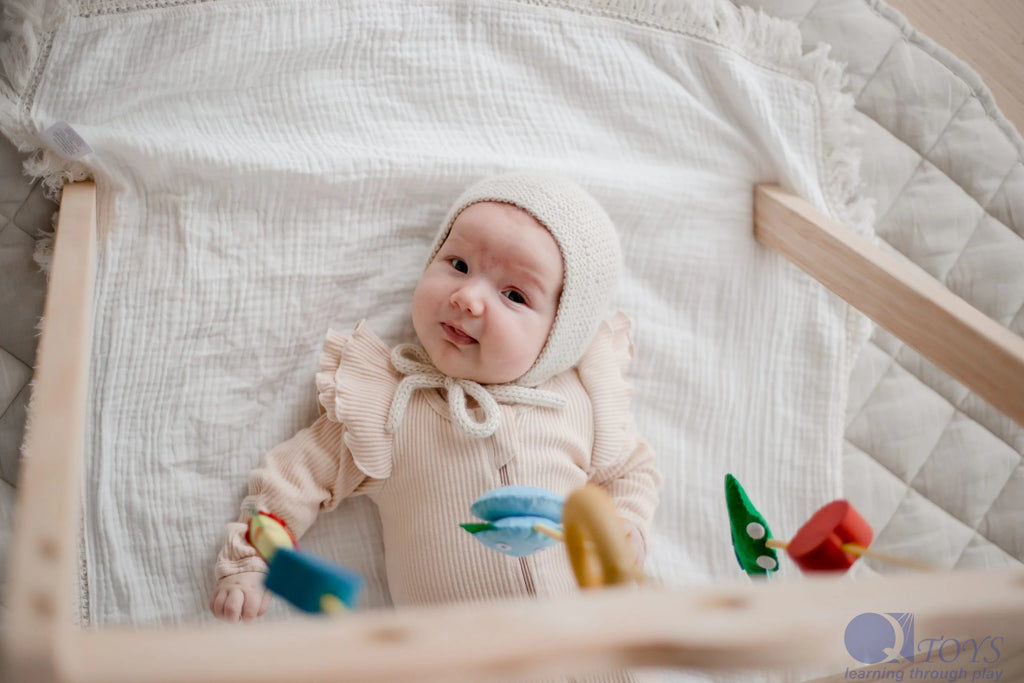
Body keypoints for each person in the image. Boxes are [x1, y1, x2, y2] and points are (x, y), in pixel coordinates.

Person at [211, 171, 662, 623]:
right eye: (459, 265)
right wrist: (249, 559)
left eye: (513, 294)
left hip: (590, 653)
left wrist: (628, 527)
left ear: (560, 334)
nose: (468, 298)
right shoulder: (389, 407)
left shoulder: (581, 405)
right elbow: (294, 476)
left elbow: (631, 471)